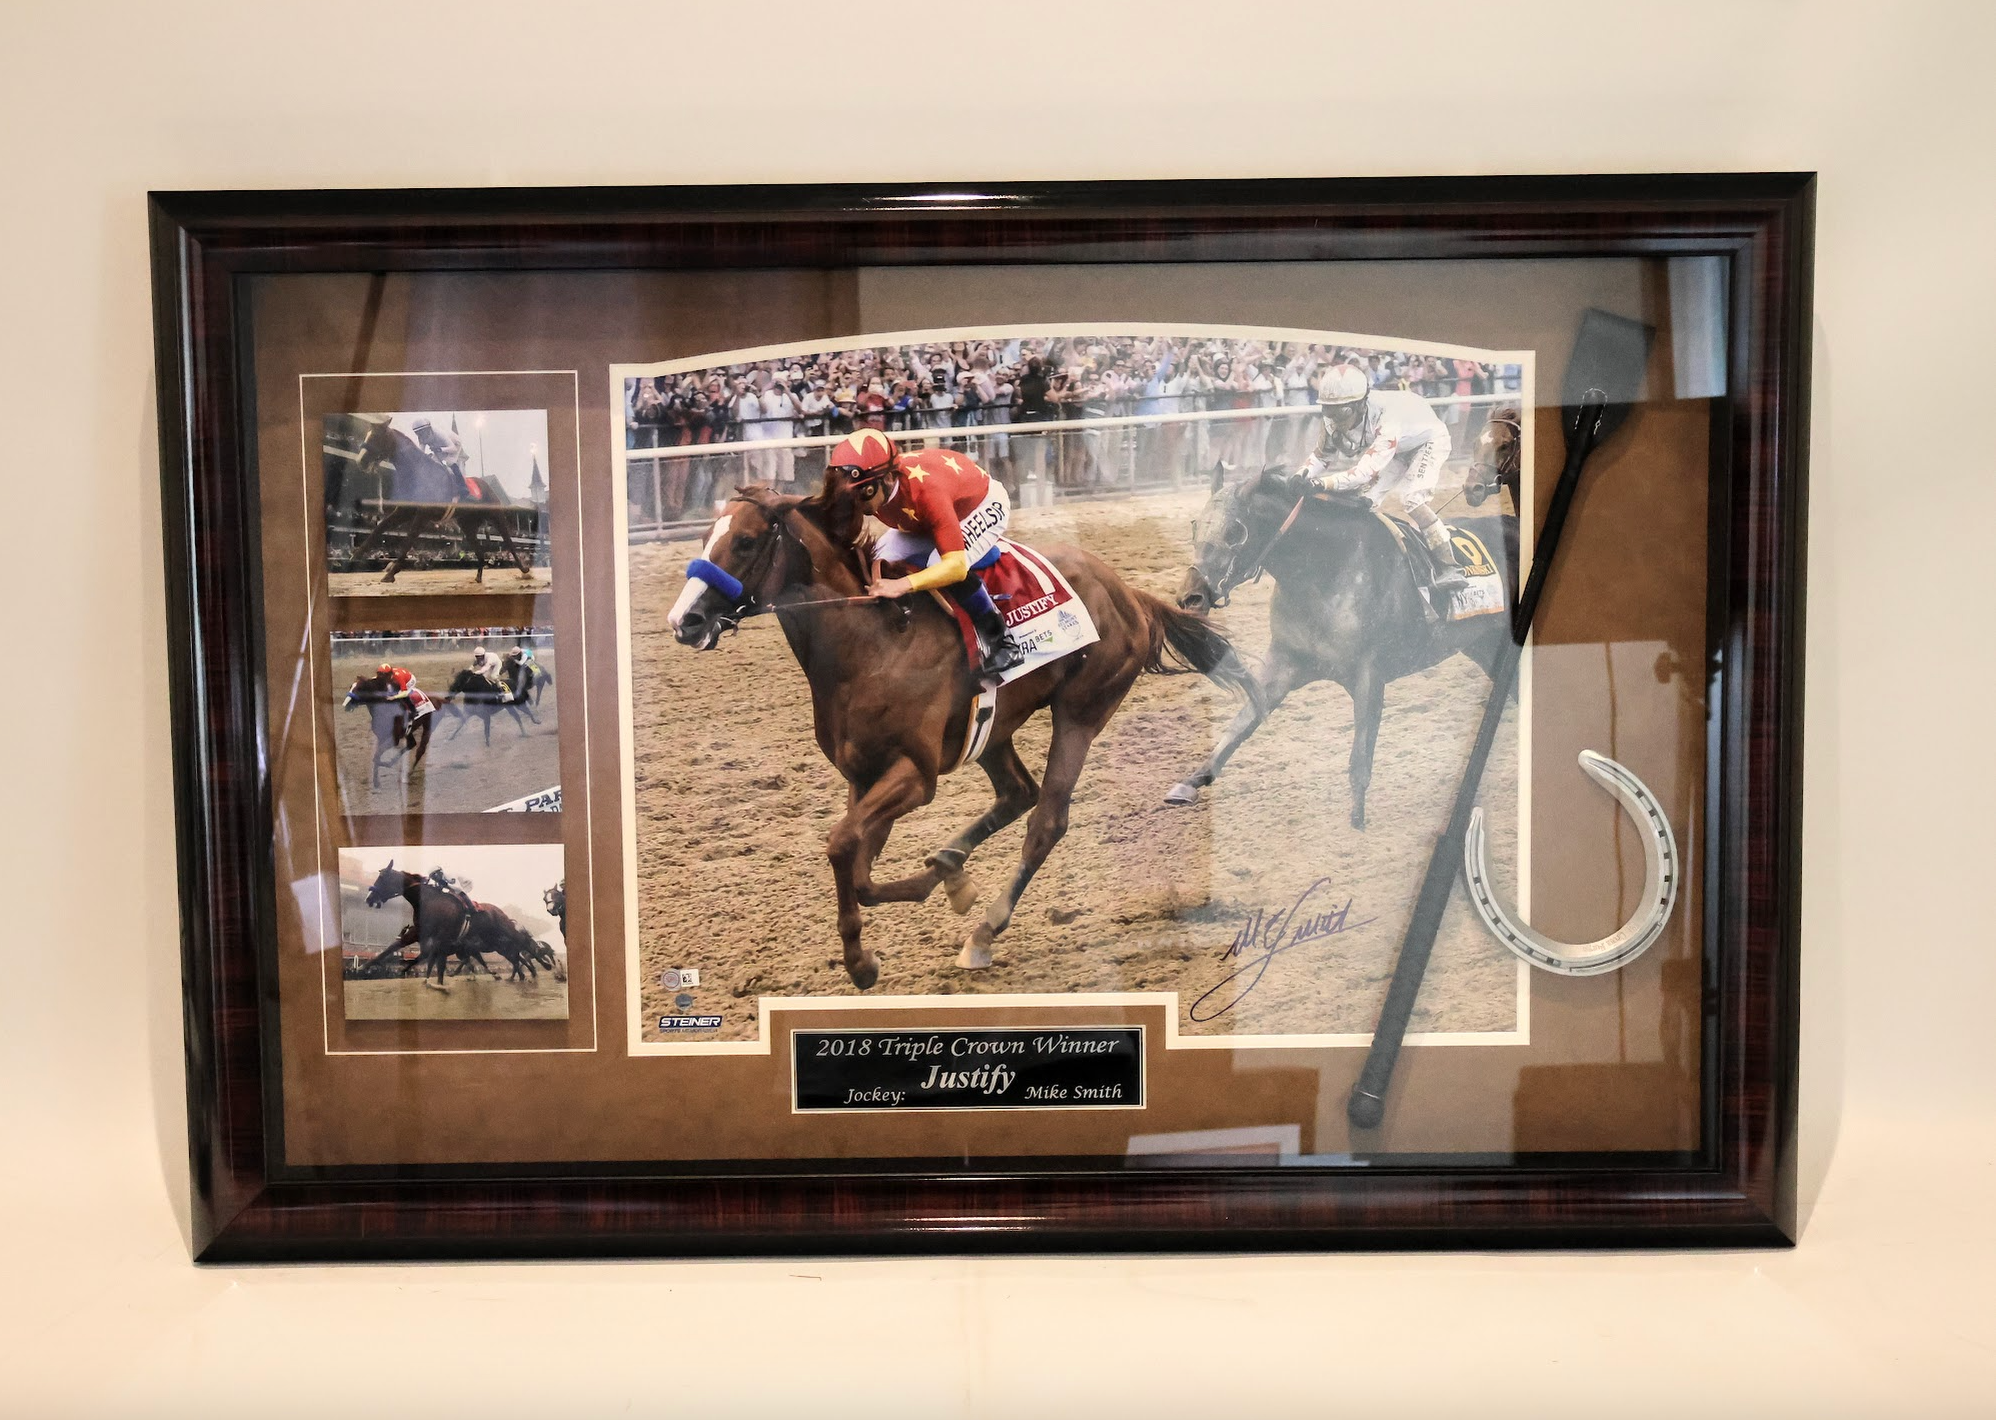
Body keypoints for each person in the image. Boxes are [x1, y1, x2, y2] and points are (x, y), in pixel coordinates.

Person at [824, 427, 1026, 682]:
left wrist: (902, 584)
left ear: (887, 480)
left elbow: (955, 567)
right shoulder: (873, 486)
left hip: (981, 504)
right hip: (924, 517)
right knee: (878, 556)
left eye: (864, 493)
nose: (857, 503)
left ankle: (1001, 640)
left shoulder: (927, 492)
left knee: (938, 563)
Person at [1299, 364, 1468, 602]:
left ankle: (1449, 565)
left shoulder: (1388, 417)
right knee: (1363, 501)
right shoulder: (1336, 418)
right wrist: (1300, 475)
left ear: (1360, 403)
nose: (1335, 419)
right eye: (1329, 411)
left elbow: (1364, 472)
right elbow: (1321, 456)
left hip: (1428, 442)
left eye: (1341, 412)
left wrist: (1320, 485)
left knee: (1412, 499)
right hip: (1399, 449)